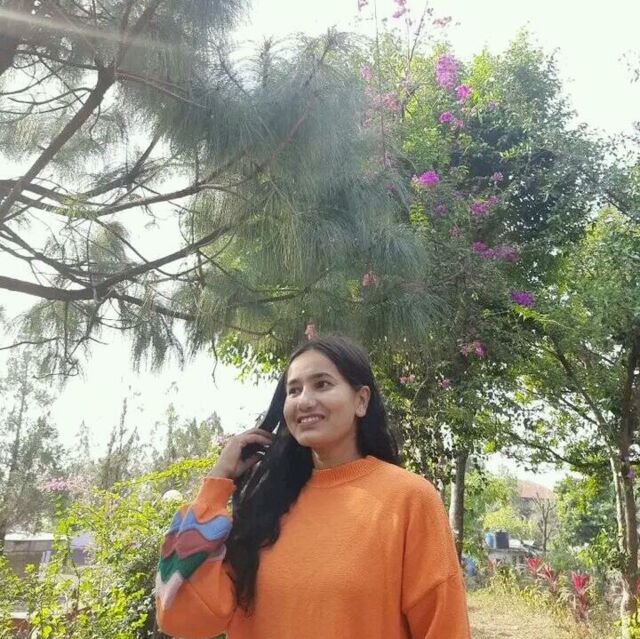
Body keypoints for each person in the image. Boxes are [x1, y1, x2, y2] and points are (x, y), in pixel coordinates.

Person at [156, 336, 471, 639]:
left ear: (361, 400)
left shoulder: (409, 499)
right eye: (293, 390)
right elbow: (176, 612)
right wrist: (217, 483)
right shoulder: (263, 504)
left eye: (322, 384)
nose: (304, 401)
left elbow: (444, 628)